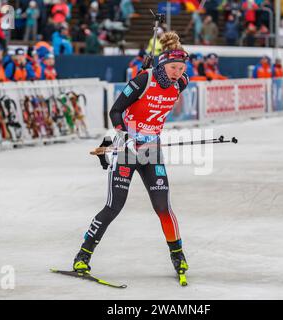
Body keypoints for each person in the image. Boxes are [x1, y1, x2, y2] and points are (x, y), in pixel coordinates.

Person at [72, 31, 191, 283]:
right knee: (114, 206)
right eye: (173, 67)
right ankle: (83, 255)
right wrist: (123, 135)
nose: (177, 72)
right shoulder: (143, 80)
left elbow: (168, 92)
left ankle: (177, 255)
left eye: (181, 68)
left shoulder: (181, 83)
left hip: (151, 151)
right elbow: (115, 111)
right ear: (163, 65)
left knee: (163, 207)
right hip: (126, 149)